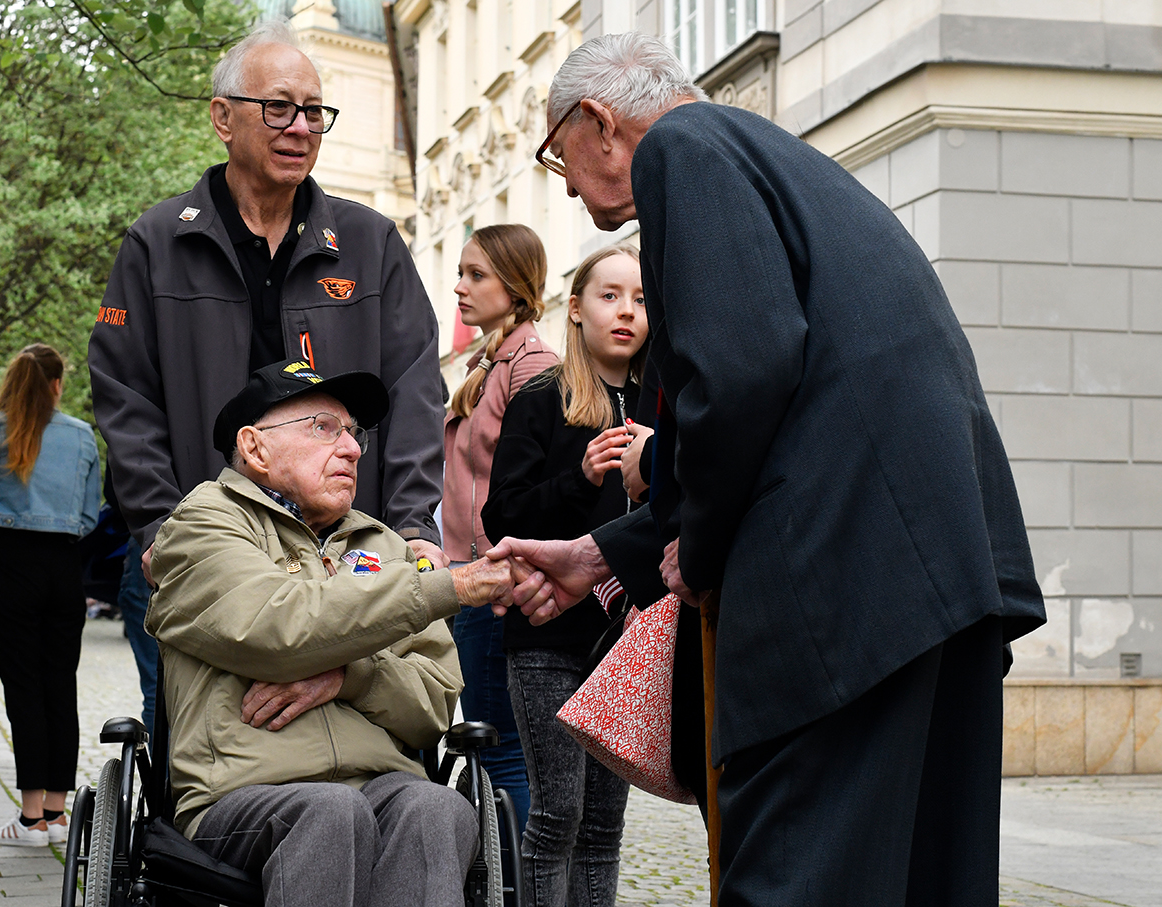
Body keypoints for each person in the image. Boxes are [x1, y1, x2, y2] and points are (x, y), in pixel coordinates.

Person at [495, 32, 1048, 904]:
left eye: (556, 151)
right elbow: (781, 400)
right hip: (937, 572)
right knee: (921, 877)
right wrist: (604, 554)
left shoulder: (681, 148)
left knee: (798, 871)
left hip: (846, 584)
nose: (562, 180)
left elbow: (743, 375)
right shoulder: (773, 161)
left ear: (596, 121)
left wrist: (699, 552)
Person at [89, 18, 446, 586]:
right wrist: (160, 529)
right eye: (278, 108)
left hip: (353, 558)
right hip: (210, 555)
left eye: (313, 111)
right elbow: (124, 395)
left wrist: (413, 526)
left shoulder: (370, 244)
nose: (301, 128)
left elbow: (416, 390)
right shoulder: (156, 243)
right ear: (222, 118)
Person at [146, 358, 515, 907]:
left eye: (354, 433)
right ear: (255, 448)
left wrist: (351, 678)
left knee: (439, 808)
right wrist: (448, 587)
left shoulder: (385, 546)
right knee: (330, 812)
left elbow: (434, 706)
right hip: (243, 792)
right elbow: (276, 625)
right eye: (324, 428)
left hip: (381, 784)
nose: (352, 449)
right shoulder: (202, 523)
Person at [482, 244, 648, 907]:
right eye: (609, 295)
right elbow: (502, 518)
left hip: (629, 645)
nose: (626, 311)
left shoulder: (661, 405)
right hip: (549, 638)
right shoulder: (542, 400)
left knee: (605, 825)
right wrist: (579, 477)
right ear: (575, 309)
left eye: (639, 299)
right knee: (557, 815)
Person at [442, 223, 559, 830]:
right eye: (460, 272)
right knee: (487, 741)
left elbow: (535, 485)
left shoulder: (534, 364)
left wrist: (503, 566)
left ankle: (513, 883)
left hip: (496, 577)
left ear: (515, 288)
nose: (459, 287)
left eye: (476, 275)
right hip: (467, 573)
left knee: (502, 749)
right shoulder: (490, 360)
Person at [0, 343, 101, 847]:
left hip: (11, 560)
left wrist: (5, 542)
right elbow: (91, 514)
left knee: (22, 686)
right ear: (57, 383)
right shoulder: (81, 434)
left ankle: (29, 820)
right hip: (63, 564)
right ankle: (58, 814)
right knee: (59, 683)